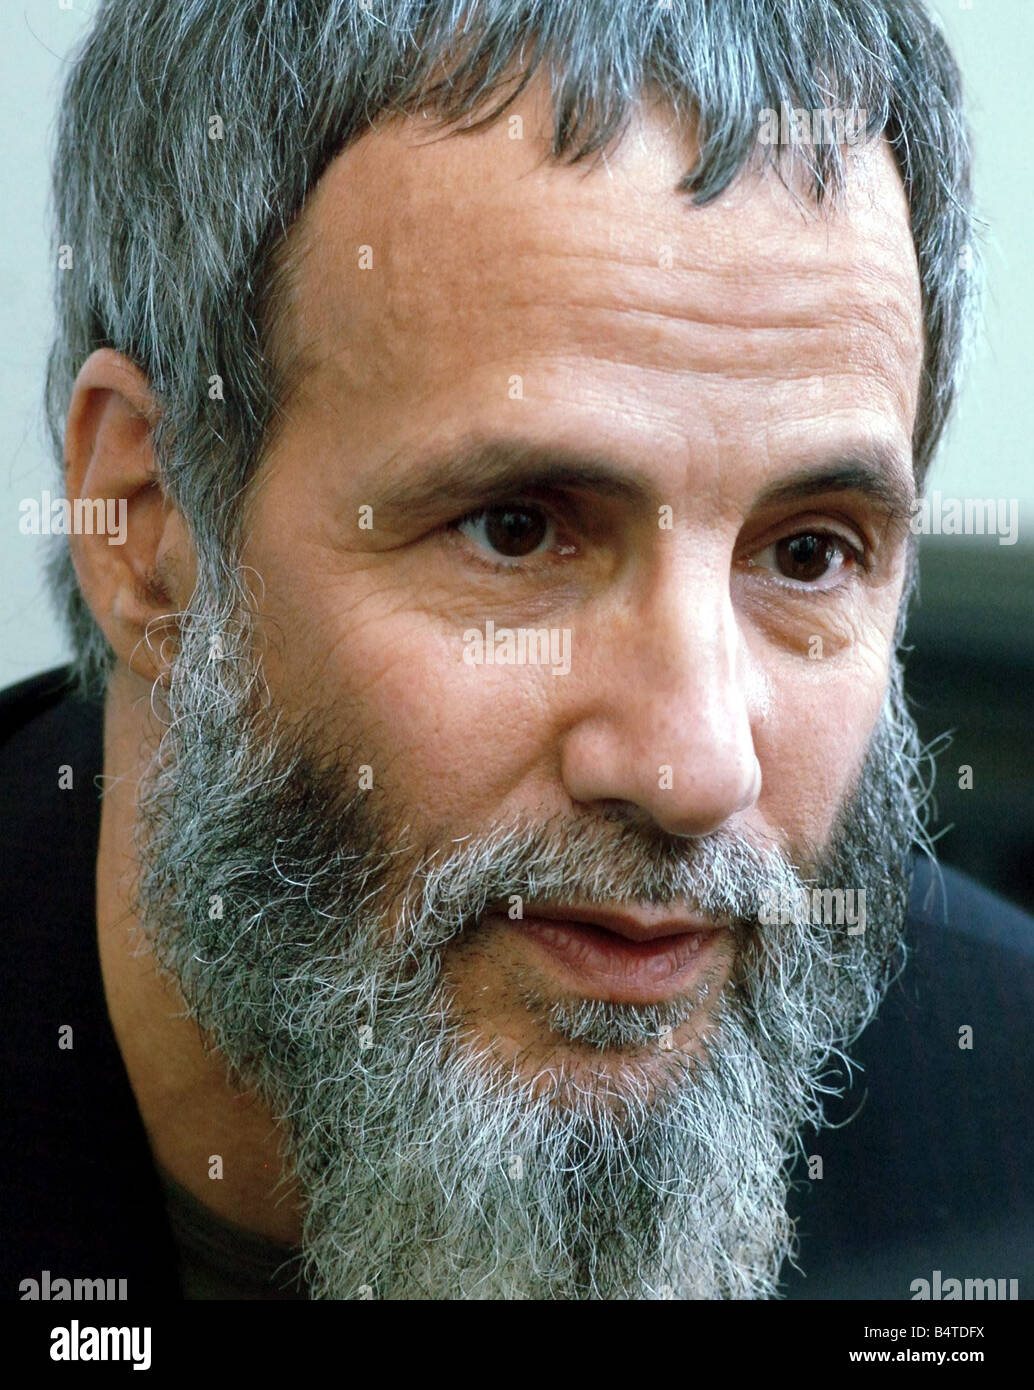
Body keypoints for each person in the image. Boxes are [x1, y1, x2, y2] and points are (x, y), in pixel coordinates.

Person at [3, 0, 1031, 1302]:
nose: (693, 765)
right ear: (148, 529)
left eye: (809, 551)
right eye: (517, 528)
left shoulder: (1004, 1136)